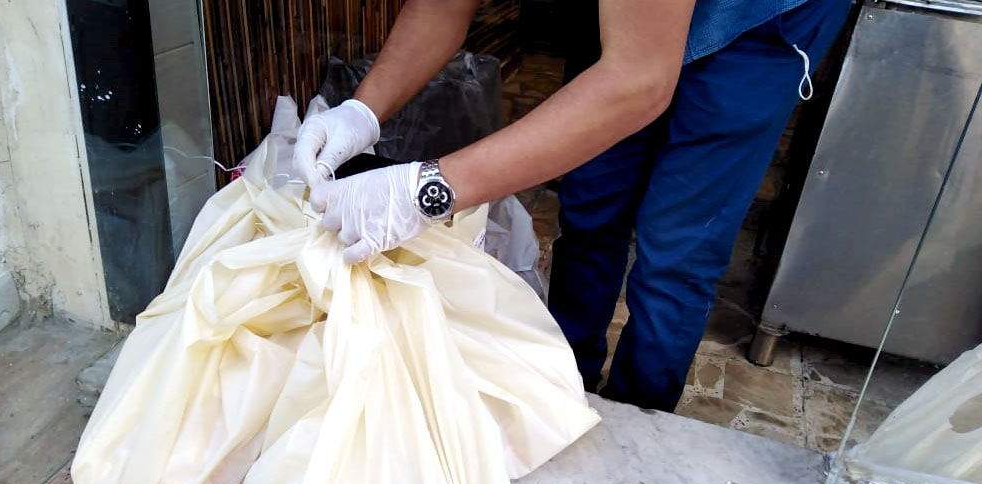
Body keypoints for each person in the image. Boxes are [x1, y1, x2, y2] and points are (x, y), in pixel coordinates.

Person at [294, 0, 850, 412]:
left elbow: (639, 81)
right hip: (620, 16)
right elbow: (442, 6)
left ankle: (639, 417)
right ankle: (565, 386)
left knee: (679, 247)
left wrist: (429, 190)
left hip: (749, 23)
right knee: (591, 207)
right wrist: (362, 113)